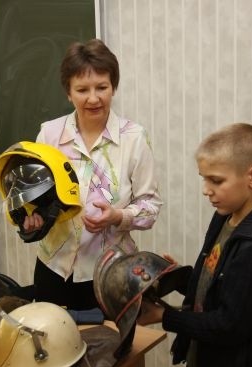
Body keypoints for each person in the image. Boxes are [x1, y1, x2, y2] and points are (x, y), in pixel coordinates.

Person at [138, 123, 252, 367]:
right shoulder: (225, 217)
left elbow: (228, 326)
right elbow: (218, 283)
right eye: (204, 179)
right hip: (204, 366)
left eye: (216, 181)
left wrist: (164, 316)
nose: (206, 190)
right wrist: (176, 276)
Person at [22, 38, 163, 311]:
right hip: (54, 270)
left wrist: (118, 216)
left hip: (112, 273)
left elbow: (151, 207)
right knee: (54, 338)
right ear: (68, 92)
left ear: (113, 87)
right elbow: (35, 198)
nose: (94, 98)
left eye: (102, 87)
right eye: (82, 89)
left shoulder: (134, 138)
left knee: (110, 340)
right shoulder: (49, 135)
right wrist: (33, 219)